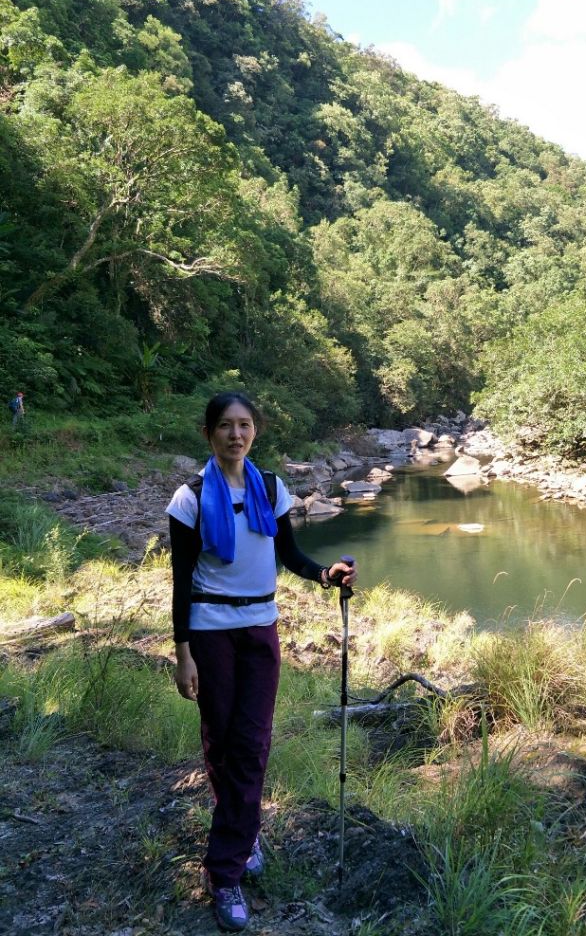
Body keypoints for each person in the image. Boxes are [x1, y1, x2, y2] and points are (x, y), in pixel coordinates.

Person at [166, 392, 356, 933]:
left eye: (244, 425)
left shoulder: (270, 488)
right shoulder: (190, 498)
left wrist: (326, 574)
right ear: (209, 434)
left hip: (259, 630)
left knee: (251, 742)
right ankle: (243, 831)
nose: (235, 434)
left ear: (256, 432)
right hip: (209, 633)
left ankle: (223, 873)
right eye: (225, 426)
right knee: (221, 741)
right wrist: (182, 654)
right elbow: (181, 583)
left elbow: (289, 555)